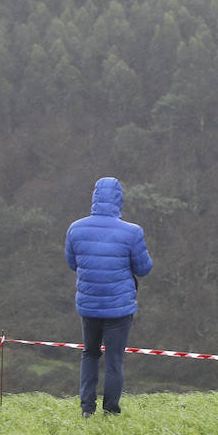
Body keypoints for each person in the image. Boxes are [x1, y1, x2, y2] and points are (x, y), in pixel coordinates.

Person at [65, 176, 153, 417]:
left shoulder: (76, 228)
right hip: (119, 308)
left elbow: (72, 263)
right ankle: (111, 411)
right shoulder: (132, 232)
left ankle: (86, 409)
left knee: (90, 353)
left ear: (94, 198)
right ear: (119, 200)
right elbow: (144, 269)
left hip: (89, 305)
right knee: (114, 360)